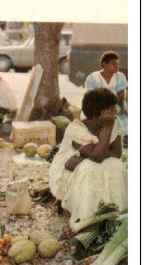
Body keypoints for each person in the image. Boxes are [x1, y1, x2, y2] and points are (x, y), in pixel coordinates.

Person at [48, 88, 127, 225]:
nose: (116, 112)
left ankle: (114, 211)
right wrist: (107, 129)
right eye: (112, 108)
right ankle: (86, 216)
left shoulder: (113, 123)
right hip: (69, 165)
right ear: (100, 112)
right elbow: (97, 156)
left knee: (115, 164)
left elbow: (116, 152)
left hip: (87, 157)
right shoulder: (77, 129)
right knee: (89, 168)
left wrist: (85, 154)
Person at [85, 51, 128, 139]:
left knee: (122, 129)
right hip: (97, 109)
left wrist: (113, 108)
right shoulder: (93, 78)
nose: (117, 66)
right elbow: (89, 98)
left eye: (118, 64)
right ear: (104, 64)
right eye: (114, 64)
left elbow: (121, 97)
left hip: (116, 109)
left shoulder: (120, 77)